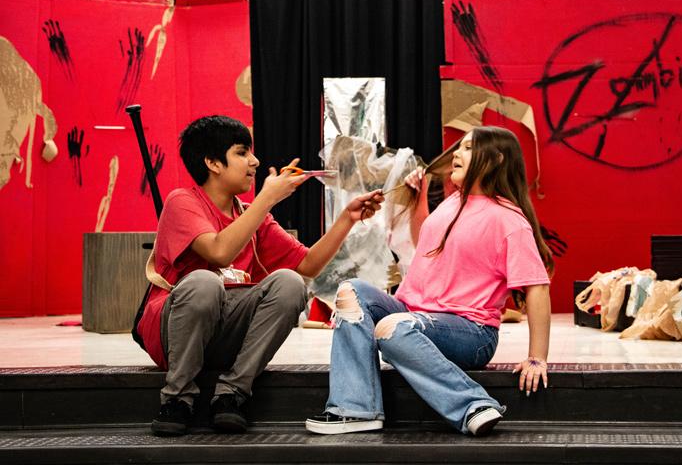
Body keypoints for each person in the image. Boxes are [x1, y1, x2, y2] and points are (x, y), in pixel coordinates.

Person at [136, 115, 384, 436]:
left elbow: (307, 265)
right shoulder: (183, 201)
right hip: (177, 333)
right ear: (213, 163)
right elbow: (218, 252)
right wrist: (267, 198)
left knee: (290, 283)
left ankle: (233, 393)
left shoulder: (250, 215)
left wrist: (348, 219)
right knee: (204, 282)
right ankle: (178, 398)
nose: (254, 161)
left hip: (224, 331)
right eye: (242, 153)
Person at [305, 126, 553, 436]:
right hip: (416, 314)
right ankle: (355, 409)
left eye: (467, 148)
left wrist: (536, 358)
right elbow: (428, 245)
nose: (456, 155)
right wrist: (419, 198)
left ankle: (473, 404)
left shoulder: (509, 220)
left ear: (495, 159)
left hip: (471, 332)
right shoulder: (454, 202)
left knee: (394, 328)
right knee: (350, 292)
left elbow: (537, 288)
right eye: (458, 148)